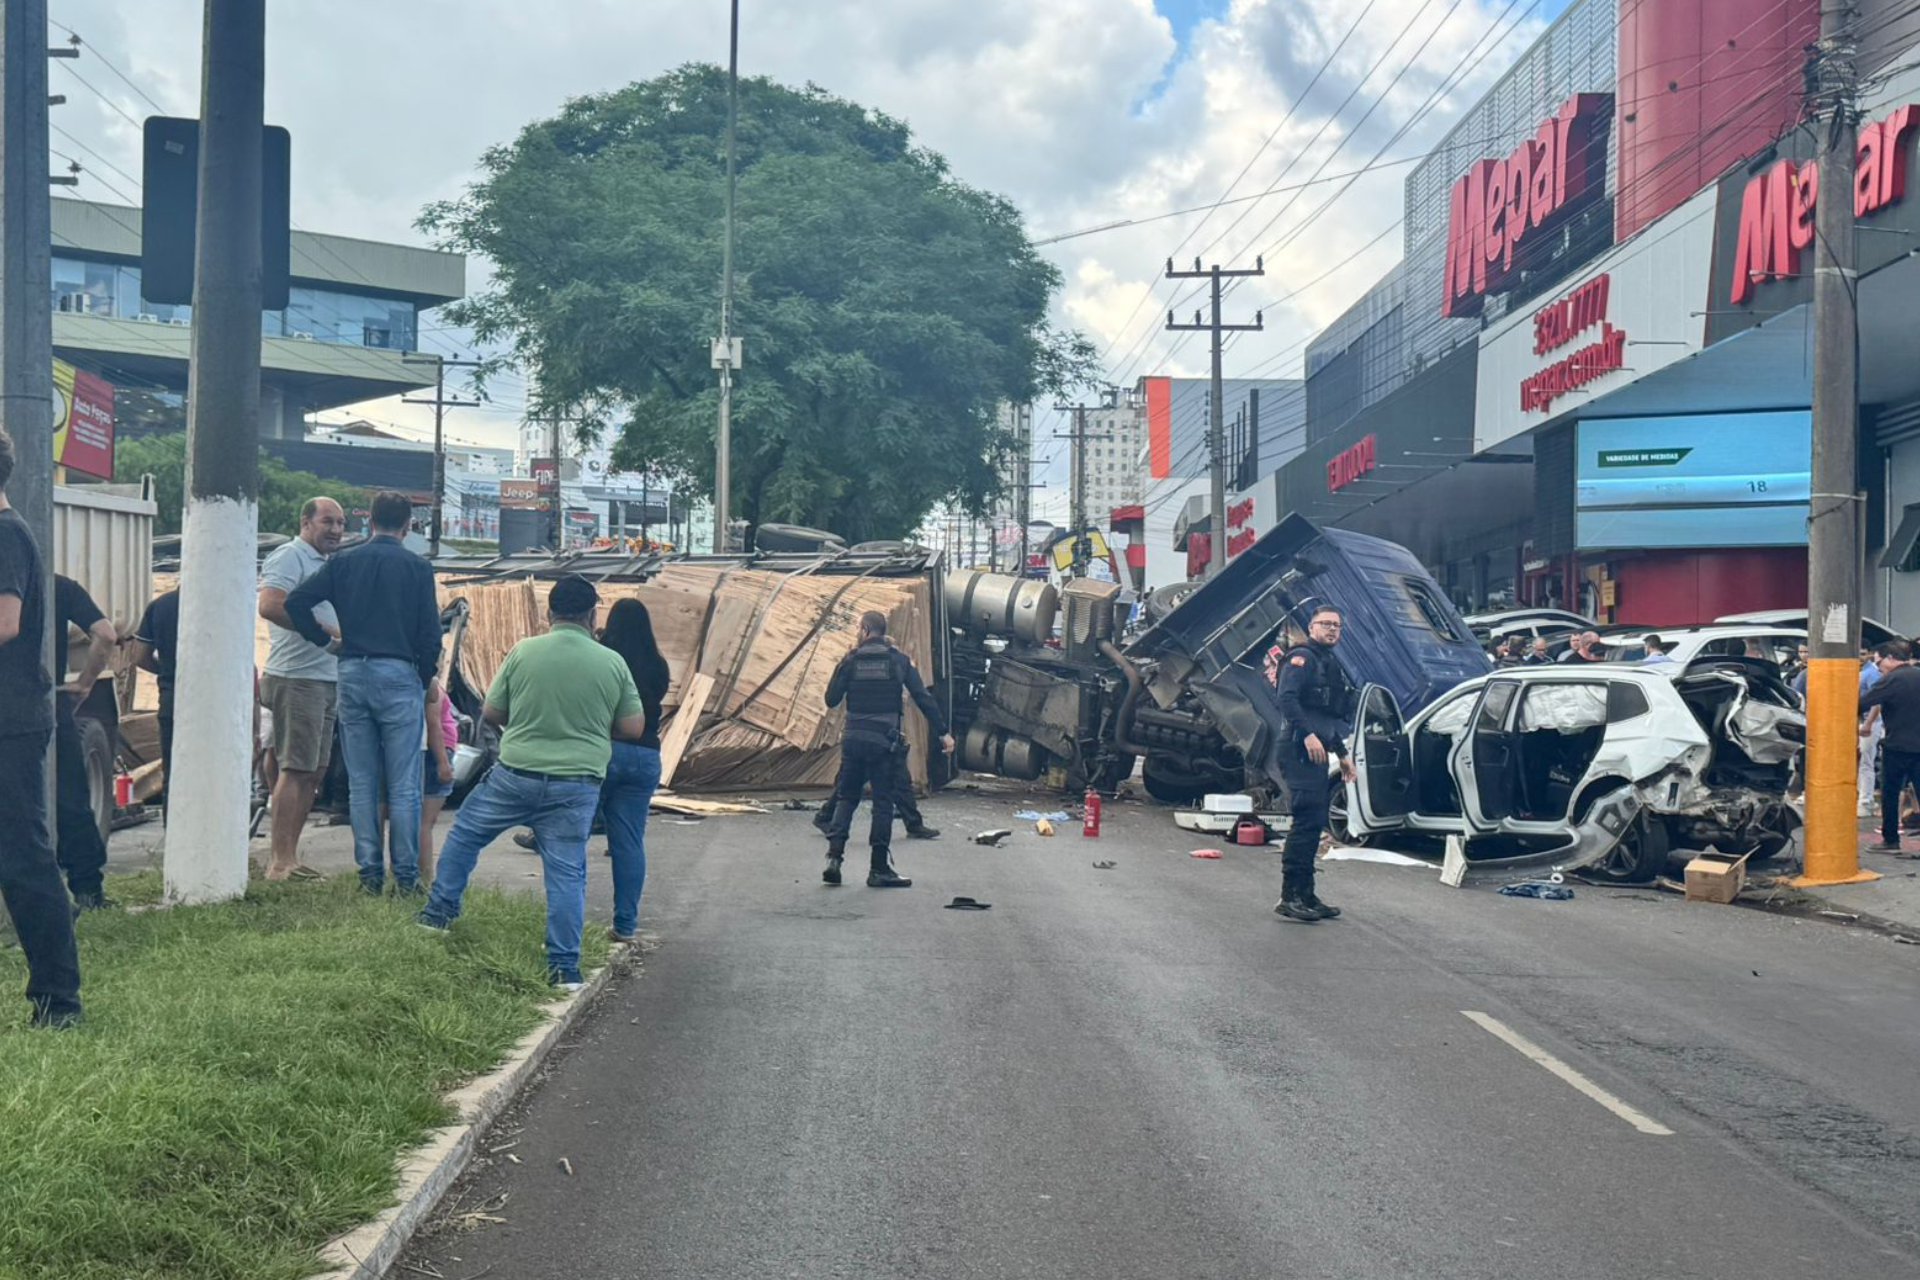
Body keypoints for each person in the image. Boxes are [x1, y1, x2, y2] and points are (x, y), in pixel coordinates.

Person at [418, 576, 647, 990]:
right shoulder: (611, 662)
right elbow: (633, 727)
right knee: (566, 872)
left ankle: (437, 915)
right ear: (592, 614)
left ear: (549, 614)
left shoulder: (524, 652)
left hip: (516, 775)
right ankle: (564, 968)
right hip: (576, 784)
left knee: (466, 835)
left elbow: (492, 712)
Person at [285, 490, 442, 894]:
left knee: (362, 781)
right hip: (400, 674)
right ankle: (405, 878)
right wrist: (423, 677)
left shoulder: (343, 562)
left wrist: (325, 643)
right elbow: (430, 633)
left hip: (352, 670)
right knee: (404, 783)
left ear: (368, 520)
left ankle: (369, 875)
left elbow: (298, 602)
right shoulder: (417, 568)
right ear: (409, 526)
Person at [0, 425, 83, 1027]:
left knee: (24, 861)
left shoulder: (5, 535)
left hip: (9, 724)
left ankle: (58, 1001)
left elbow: (5, 621)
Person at [821, 611, 954, 889]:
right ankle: (878, 869)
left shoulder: (851, 661)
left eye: (859, 627)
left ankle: (834, 858)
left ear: (867, 630)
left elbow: (831, 699)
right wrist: (943, 732)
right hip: (884, 743)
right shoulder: (899, 662)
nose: (857, 631)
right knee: (882, 803)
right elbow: (923, 697)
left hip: (853, 740)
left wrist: (843, 663)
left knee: (847, 799)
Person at [256, 496, 347, 881]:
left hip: (326, 677)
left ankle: (291, 856)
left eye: (341, 523)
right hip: (298, 677)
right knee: (294, 769)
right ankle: (279, 862)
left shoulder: (328, 564)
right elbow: (271, 605)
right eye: (328, 522)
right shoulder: (289, 557)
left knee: (314, 770)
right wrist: (323, 635)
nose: (336, 530)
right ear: (305, 522)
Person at [1274, 604, 1357, 923]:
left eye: (1337, 625)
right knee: (1307, 818)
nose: (1332, 629)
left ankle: (1305, 893)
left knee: (1315, 819)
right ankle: (1290, 895)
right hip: (1298, 746)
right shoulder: (1302, 658)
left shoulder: (1328, 662)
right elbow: (1286, 699)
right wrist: (1307, 734)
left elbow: (1327, 715)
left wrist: (1342, 753)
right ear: (1311, 627)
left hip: (1318, 747)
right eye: (1325, 624)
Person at [597, 598, 669, 944]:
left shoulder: (603, 657)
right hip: (645, 755)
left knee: (570, 834)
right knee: (628, 843)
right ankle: (625, 925)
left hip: (603, 750)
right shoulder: (658, 664)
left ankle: (563, 921)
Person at [51, 574, 116, 908]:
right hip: (48, 700)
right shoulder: (60, 586)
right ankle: (87, 890)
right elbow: (106, 633)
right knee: (71, 797)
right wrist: (85, 683)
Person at [1861, 640, 1920, 855]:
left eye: (1879, 663)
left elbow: (1864, 702)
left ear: (1890, 658)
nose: (1879, 669)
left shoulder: (1892, 679)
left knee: (1890, 793)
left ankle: (1890, 839)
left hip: (1898, 747)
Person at [130, 587, 180, 808]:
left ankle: (173, 833)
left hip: (172, 698)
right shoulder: (220, 605)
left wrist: (168, 672)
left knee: (173, 772)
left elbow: (139, 656)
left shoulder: (160, 605)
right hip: (214, 703)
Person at [1859, 651, 1886, 819]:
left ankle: (1865, 801)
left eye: (1863, 653)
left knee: (1865, 762)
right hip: (1858, 721)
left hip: (1870, 722)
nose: (1859, 656)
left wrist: (1868, 723)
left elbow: (1878, 701)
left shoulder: (1872, 674)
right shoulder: (1857, 671)